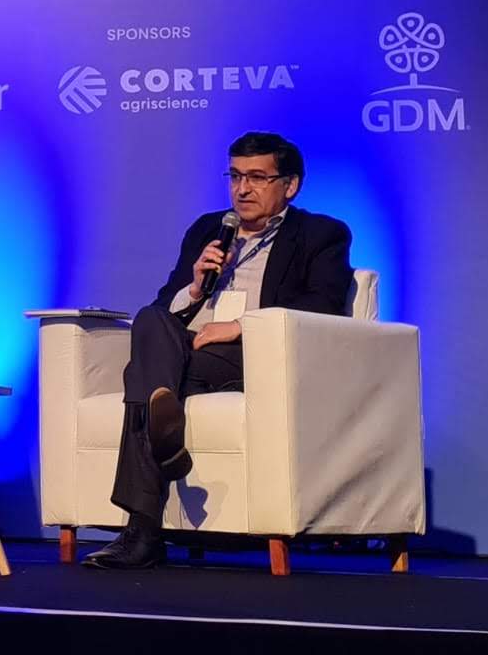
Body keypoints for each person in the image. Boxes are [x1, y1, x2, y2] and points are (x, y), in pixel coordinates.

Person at [83, 131, 352, 570]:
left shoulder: (321, 234)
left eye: (258, 178)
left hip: (255, 356)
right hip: (188, 353)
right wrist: (194, 287)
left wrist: (239, 327)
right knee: (151, 320)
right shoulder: (209, 229)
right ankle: (162, 431)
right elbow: (166, 305)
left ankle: (143, 530)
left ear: (290, 185)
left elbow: (324, 307)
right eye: (235, 176)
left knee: (144, 379)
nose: (242, 189)